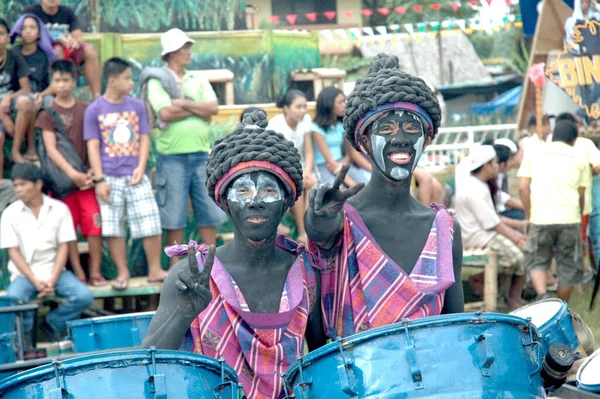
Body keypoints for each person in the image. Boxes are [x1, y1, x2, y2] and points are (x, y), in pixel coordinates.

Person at [142, 110, 325, 399]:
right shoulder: (193, 274)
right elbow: (146, 367)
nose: (255, 202)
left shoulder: (305, 274)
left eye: (268, 190)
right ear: (224, 201)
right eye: (242, 190)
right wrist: (185, 313)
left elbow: (322, 362)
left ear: (288, 201)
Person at [305, 54, 464, 339]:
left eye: (412, 128)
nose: (400, 139)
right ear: (364, 141)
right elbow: (316, 342)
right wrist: (318, 224)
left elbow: (456, 332)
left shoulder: (444, 229)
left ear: (426, 140)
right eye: (386, 129)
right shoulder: (341, 223)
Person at [144, 29, 225, 265]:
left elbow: (213, 108)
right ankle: (176, 269)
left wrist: (183, 103)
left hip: (201, 155)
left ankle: (213, 265)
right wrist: (196, 108)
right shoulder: (157, 80)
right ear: (171, 53)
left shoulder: (196, 78)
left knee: (208, 213)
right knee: (174, 216)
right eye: (184, 48)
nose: (189, 52)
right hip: (171, 158)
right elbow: (165, 112)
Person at [85, 58, 167, 289]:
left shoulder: (136, 106)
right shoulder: (95, 110)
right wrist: (100, 180)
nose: (131, 82)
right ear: (112, 80)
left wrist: (141, 168)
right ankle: (122, 273)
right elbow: (92, 146)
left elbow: (143, 138)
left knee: (150, 221)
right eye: (127, 78)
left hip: (135, 174)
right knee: (113, 227)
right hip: (108, 177)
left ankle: (155, 269)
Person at [1, 163, 93, 344]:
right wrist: (36, 281)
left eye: (22, 184)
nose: (18, 190)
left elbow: (63, 248)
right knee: (15, 300)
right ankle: (26, 338)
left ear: (38, 184)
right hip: (24, 275)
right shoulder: (10, 213)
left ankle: (53, 323)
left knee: (84, 296)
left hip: (55, 272)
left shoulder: (59, 209)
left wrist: (52, 279)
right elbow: (14, 253)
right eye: (16, 185)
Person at [38, 60, 106, 286]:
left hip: (88, 181)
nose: (62, 85)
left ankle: (95, 272)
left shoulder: (86, 109)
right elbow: (51, 149)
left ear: (74, 81)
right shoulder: (47, 114)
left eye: (66, 80)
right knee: (69, 230)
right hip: (63, 184)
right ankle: (78, 274)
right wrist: (73, 175)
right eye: (57, 80)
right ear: (51, 82)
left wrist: (91, 175)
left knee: (94, 225)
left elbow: (94, 144)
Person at [519, 120, 589, 302]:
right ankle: (561, 308)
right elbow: (582, 195)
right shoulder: (579, 157)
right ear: (574, 140)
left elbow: (523, 187)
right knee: (568, 267)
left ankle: (542, 297)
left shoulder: (535, 153)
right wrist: (578, 216)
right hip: (569, 218)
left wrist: (529, 214)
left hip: (540, 217)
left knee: (537, 260)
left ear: (553, 135)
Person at [456, 145, 527, 309]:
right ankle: (490, 288)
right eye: (495, 163)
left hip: (485, 234)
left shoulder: (478, 184)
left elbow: (494, 220)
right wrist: (517, 238)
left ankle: (506, 297)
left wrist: (516, 236)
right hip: (477, 238)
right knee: (519, 256)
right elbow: (493, 224)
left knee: (519, 254)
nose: (498, 166)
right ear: (486, 166)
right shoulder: (472, 189)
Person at [268, 89, 317, 243]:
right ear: (286, 108)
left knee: (312, 185)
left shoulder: (306, 120)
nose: (303, 111)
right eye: (298, 107)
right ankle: (302, 231)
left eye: (305, 106)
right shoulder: (276, 125)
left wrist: (307, 172)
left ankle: (310, 230)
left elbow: (309, 151)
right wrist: (299, 174)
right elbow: (276, 157)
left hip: (302, 167)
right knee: (297, 186)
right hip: (282, 168)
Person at [24, 0, 101, 98]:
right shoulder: (32, 12)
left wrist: (74, 41)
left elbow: (78, 36)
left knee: (89, 49)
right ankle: (60, 95)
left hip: (65, 49)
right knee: (58, 51)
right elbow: (27, 33)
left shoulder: (67, 12)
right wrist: (56, 39)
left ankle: (97, 96)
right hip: (41, 50)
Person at [311, 87, 367, 187]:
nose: (344, 105)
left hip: (341, 162)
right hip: (323, 165)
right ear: (328, 104)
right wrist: (352, 184)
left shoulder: (342, 125)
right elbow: (329, 161)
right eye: (340, 102)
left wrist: (343, 162)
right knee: (337, 188)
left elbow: (349, 154)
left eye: (344, 101)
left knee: (364, 182)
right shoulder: (316, 128)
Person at [0, 18, 35, 168]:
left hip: (9, 103)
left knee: (26, 101)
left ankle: (15, 151)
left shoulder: (14, 55)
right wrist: (3, 116)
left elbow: (26, 88)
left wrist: (8, 97)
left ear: (8, 36)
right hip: (2, 110)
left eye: (1, 34)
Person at [10, 13, 56, 110]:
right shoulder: (13, 53)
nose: (28, 31)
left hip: (41, 96)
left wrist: (41, 95)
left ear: (39, 33)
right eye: (23, 28)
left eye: (32, 27)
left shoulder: (45, 56)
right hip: (18, 97)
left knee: (50, 102)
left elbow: (53, 85)